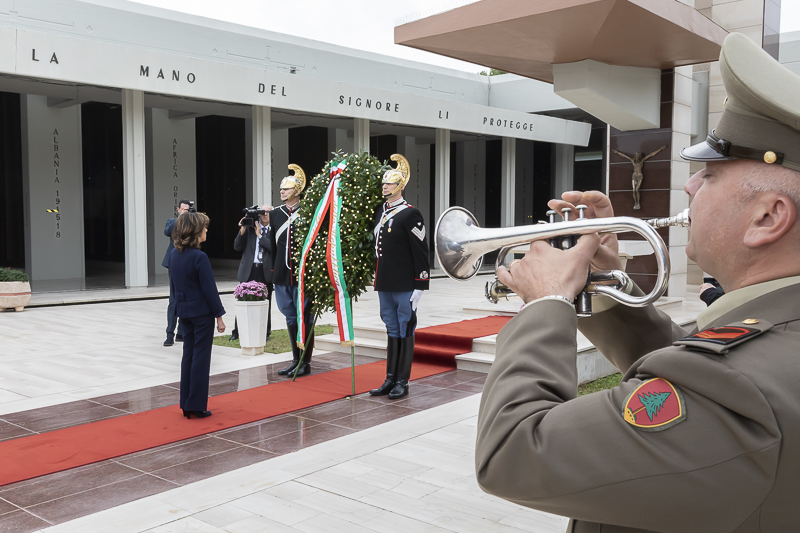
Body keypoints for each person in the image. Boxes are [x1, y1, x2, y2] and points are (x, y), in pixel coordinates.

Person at [475, 33, 800, 532]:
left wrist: (547, 303)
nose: (690, 185)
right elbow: (696, 360)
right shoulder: (774, 334)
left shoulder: (741, 389)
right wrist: (604, 285)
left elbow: (513, 451)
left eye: (710, 175)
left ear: (767, 217)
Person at [369, 154, 430, 400]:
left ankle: (402, 381)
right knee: (391, 326)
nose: (385, 186)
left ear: (400, 186)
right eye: (384, 183)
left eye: (390, 183)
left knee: (405, 327)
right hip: (385, 281)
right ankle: (389, 379)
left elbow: (421, 251)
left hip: (405, 282)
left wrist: (420, 285)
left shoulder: (409, 214)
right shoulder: (381, 212)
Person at [169, 212, 226, 419]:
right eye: (204, 227)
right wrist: (219, 316)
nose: (206, 231)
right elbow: (209, 289)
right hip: (201, 313)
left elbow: (174, 286)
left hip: (184, 311)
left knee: (188, 356)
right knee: (201, 358)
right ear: (195, 232)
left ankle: (186, 403)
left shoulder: (175, 254)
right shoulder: (199, 257)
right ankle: (197, 405)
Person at [269, 164, 315, 377]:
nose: (282, 192)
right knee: (289, 317)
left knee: (304, 317)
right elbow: (271, 245)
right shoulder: (276, 214)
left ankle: (305, 362)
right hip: (281, 273)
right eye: (281, 189)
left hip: (302, 273)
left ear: (297, 191)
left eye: (286, 189)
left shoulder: (308, 211)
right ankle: (295, 360)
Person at [229, 205, 274, 342]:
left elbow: (273, 247)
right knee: (243, 300)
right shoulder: (250, 227)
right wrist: (242, 230)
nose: (265, 215)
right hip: (249, 269)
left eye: (267, 212)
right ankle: (237, 331)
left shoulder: (274, 230)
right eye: (262, 212)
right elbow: (237, 246)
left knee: (266, 302)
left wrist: (260, 235)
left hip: (265, 270)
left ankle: (265, 331)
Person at [162, 200, 191, 346]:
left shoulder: (192, 222)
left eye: (188, 210)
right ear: (178, 209)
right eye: (183, 210)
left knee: (185, 298)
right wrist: (180, 220)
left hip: (187, 262)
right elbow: (167, 232)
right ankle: (169, 334)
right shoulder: (172, 221)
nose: (185, 212)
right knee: (173, 300)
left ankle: (181, 332)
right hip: (173, 262)